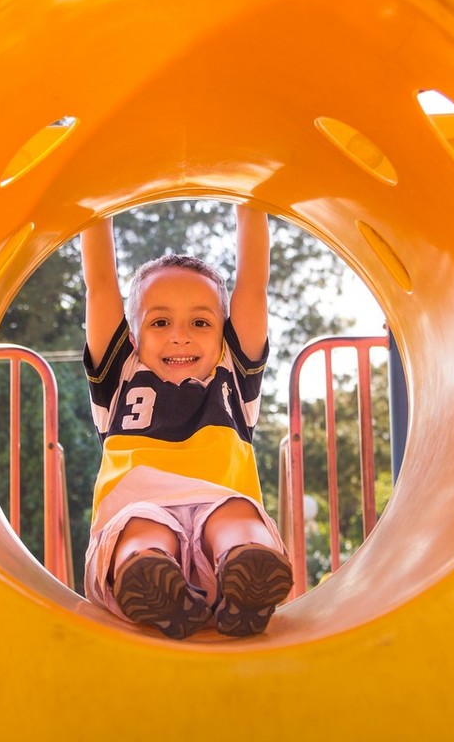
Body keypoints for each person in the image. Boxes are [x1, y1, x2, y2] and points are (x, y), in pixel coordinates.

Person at [79, 206, 293, 639]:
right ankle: (149, 578)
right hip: (139, 521)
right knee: (143, 525)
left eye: (200, 322)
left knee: (234, 513)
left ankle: (249, 569)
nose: (181, 335)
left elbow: (253, 285)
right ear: (133, 337)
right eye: (160, 322)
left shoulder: (233, 373)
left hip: (221, 552)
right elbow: (100, 286)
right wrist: (95, 205)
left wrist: (250, 202)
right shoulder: (120, 373)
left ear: (223, 333)